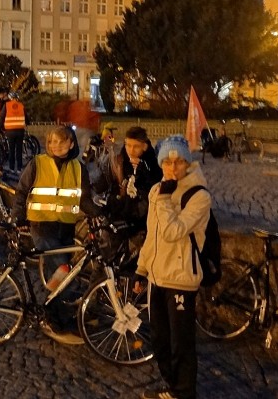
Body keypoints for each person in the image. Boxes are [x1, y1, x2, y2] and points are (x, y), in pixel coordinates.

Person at [134, 135, 211, 399]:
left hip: (180, 279)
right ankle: (172, 386)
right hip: (157, 277)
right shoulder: (158, 189)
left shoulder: (198, 195)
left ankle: (184, 392)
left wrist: (166, 200)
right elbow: (152, 234)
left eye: (178, 162)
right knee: (159, 341)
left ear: (187, 163)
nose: (173, 167)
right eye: (167, 161)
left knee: (181, 343)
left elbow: (172, 231)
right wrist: (142, 269)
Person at [12, 125, 98, 343]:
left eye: (61, 142)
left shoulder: (79, 169)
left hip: (65, 227)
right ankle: (54, 316)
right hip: (41, 225)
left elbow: (84, 200)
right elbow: (21, 191)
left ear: (71, 144)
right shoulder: (38, 163)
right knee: (63, 271)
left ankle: (53, 310)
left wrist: (101, 214)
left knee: (60, 273)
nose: (55, 146)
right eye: (52, 142)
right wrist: (19, 218)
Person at [93, 126, 162, 249]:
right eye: (128, 145)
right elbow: (109, 179)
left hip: (143, 213)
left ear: (144, 146)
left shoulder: (152, 163)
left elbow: (153, 187)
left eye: (136, 146)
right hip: (122, 207)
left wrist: (141, 170)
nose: (131, 149)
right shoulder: (121, 160)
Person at [0, 91, 27, 172]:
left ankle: (11, 168)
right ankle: (19, 168)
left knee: (11, 149)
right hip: (20, 131)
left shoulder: (6, 105)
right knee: (19, 149)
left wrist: (0, 127)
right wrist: (27, 122)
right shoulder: (21, 105)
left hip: (10, 131)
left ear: (10, 98)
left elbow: (2, 117)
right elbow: (26, 116)